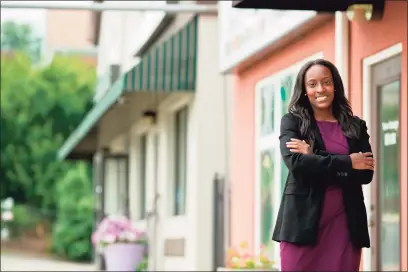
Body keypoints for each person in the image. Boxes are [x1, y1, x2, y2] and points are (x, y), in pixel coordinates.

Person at [272, 59, 375, 271]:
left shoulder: (356, 126)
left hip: (345, 226)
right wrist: (348, 162)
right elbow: (298, 165)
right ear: (304, 90)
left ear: (335, 86)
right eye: (312, 84)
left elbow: (365, 174)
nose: (320, 89)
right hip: (301, 226)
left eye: (326, 82)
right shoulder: (293, 123)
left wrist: (315, 157)